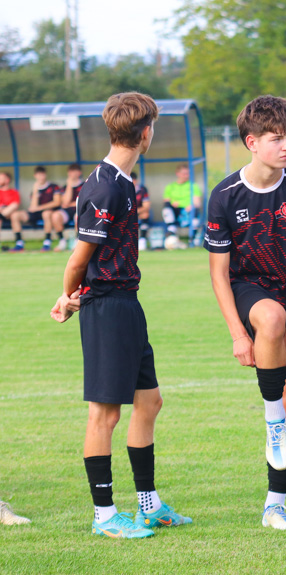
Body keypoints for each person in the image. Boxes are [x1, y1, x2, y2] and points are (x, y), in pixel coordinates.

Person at [50, 92, 192, 539]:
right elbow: (78, 259)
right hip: (107, 308)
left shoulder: (123, 182)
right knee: (104, 415)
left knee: (149, 402)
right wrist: (69, 296)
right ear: (144, 132)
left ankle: (148, 506)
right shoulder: (106, 186)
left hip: (127, 304)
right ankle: (105, 516)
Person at [205, 95, 286, 530]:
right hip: (249, 291)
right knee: (268, 317)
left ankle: (275, 504)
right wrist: (237, 333)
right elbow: (218, 273)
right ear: (251, 142)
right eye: (275, 138)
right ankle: (270, 421)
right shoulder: (225, 195)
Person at [10, 166, 61, 251]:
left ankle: (47, 242)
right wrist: (35, 190)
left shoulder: (53, 186)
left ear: (45, 175)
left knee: (46, 214)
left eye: (42, 174)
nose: (40, 177)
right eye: (38, 175)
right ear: (35, 176)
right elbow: (33, 207)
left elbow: (57, 202)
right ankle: (19, 243)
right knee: (15, 215)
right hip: (36, 213)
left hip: (48, 212)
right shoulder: (35, 188)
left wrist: (40, 208)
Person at [162, 163, 203, 243]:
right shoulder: (170, 187)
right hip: (176, 212)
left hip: (187, 212)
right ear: (178, 174)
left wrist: (191, 206)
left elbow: (197, 202)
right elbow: (166, 200)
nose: (186, 175)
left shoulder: (193, 186)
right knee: (166, 207)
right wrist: (173, 203)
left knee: (195, 210)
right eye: (184, 173)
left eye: (188, 173)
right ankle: (171, 231)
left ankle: (193, 238)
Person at [51, 163, 84, 251]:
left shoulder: (84, 185)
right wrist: (69, 185)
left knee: (78, 216)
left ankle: (77, 241)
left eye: (74, 171)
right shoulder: (65, 187)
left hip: (79, 210)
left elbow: (83, 201)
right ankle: (62, 241)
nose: (72, 174)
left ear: (79, 173)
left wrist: (71, 204)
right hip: (66, 212)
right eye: (70, 171)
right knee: (55, 215)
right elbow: (65, 202)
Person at [0, 171, 21, 251]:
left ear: (7, 180)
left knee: (14, 214)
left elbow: (15, 205)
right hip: (1, 214)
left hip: (11, 214)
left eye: (1, 178)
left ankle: (19, 243)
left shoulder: (14, 192)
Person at [131, 172, 151, 251]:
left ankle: (142, 239)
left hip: (137, 212)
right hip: (127, 213)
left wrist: (135, 212)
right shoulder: (122, 189)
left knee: (146, 215)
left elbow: (146, 206)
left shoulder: (142, 190)